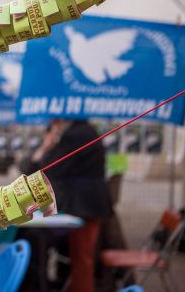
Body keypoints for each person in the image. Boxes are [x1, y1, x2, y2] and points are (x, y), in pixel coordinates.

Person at [22, 119, 113, 292]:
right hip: (82, 206)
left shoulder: (76, 134)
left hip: (82, 207)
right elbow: (32, 171)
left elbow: (50, 169)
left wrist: (47, 147)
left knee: (81, 260)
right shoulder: (83, 131)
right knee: (80, 258)